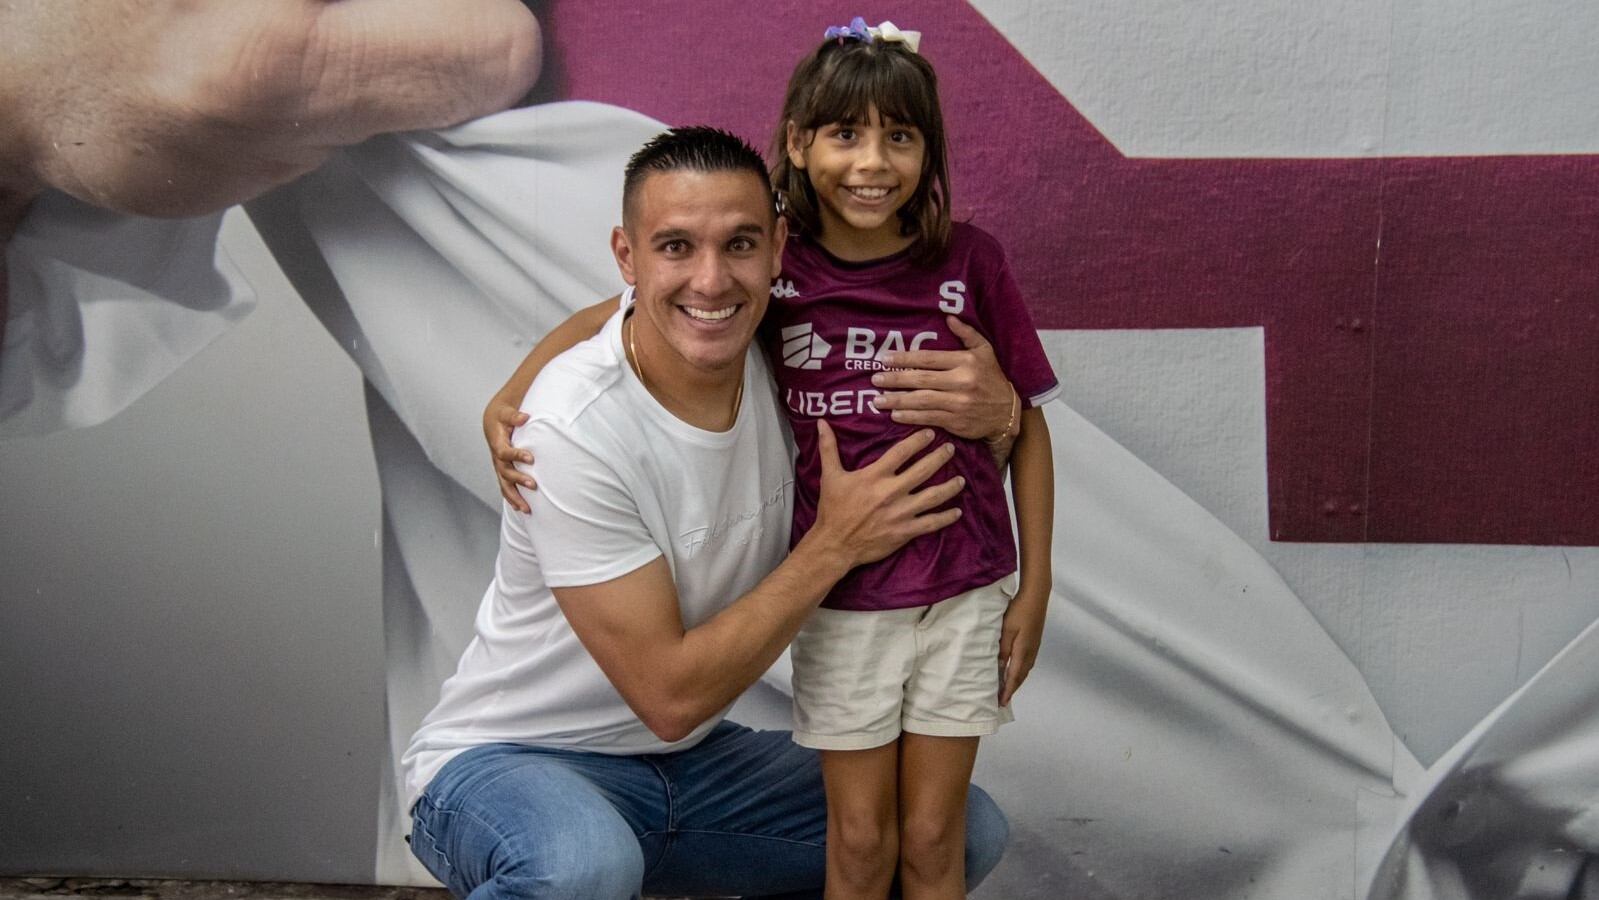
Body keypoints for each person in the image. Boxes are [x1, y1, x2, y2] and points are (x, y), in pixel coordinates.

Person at [488, 20, 1056, 900]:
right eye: (845, 134)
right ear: (797, 142)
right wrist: (512, 390)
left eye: (899, 137)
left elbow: (1028, 419)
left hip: (964, 587)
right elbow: (620, 309)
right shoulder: (774, 274)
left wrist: (1035, 586)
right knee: (859, 841)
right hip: (845, 599)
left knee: (936, 835)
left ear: (929, 149)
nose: (871, 163)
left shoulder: (967, 261)